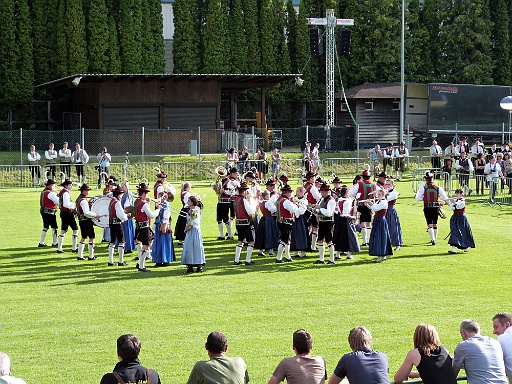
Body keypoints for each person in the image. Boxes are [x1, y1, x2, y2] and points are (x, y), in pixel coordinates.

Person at [453, 319, 507, 384]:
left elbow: (453, 374)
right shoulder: (495, 343)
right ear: (479, 331)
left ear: (463, 333)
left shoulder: (463, 346)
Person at [415, 172, 448, 245]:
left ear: (426, 180)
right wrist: (442, 203)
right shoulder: (438, 188)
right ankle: (435, 238)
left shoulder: (423, 188)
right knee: (435, 223)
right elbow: (445, 197)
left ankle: (433, 239)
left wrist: (423, 198)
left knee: (429, 223)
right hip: (436, 207)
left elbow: (418, 198)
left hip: (427, 207)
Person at [133, 183, 161, 272]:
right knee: (146, 245)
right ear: (144, 194)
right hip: (144, 227)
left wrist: (148, 203)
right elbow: (151, 215)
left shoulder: (136, 202)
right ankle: (141, 266)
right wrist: (158, 209)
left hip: (138, 226)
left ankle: (139, 262)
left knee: (147, 244)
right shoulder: (143, 204)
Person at [349, 170, 376, 247]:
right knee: (369, 223)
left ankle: (364, 241)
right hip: (370, 205)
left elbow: (351, 193)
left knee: (363, 222)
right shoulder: (373, 184)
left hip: (361, 204)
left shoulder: (359, 184)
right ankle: (369, 240)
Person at [333, 186, 360, 260]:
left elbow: (338, 210)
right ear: (346, 193)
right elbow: (346, 214)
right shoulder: (347, 201)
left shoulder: (339, 200)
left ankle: (338, 254)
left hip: (339, 220)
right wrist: (354, 217)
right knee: (350, 237)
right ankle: (349, 254)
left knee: (340, 237)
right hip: (346, 221)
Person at [233, 183, 257, 265]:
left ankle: (236, 260)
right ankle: (248, 260)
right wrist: (253, 204)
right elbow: (251, 212)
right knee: (251, 242)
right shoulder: (244, 200)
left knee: (240, 241)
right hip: (245, 224)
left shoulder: (236, 200)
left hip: (238, 223)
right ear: (244, 192)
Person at [181, 195, 206, 273]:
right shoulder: (192, 210)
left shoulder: (194, 210)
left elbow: (192, 223)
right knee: (191, 247)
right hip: (193, 231)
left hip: (193, 231)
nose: (187, 202)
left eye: (189, 201)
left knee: (194, 247)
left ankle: (198, 265)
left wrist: (186, 229)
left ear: (192, 202)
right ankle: (191, 266)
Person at [446, 189, 475, 254]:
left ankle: (465, 247)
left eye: (458, 193)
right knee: (454, 232)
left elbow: (457, 206)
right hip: (455, 217)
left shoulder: (462, 201)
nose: (456, 195)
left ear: (462, 194)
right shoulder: (457, 200)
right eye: (456, 193)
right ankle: (453, 249)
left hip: (461, 218)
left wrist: (452, 202)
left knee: (463, 233)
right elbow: (452, 208)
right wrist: (448, 202)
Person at [313, 183, 336, 264]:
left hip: (328, 222)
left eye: (323, 192)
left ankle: (332, 259)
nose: (321, 194)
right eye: (321, 192)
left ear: (328, 192)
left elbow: (329, 213)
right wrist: (315, 211)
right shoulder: (323, 200)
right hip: (322, 221)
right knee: (320, 240)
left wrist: (320, 208)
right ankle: (321, 259)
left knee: (329, 240)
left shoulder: (331, 201)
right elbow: (321, 211)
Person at [75, 183, 99, 261]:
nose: (88, 192)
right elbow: (86, 212)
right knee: (92, 238)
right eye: (87, 190)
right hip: (86, 221)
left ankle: (80, 255)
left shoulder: (78, 199)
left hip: (81, 220)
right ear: (84, 191)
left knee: (83, 237)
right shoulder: (83, 201)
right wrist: (95, 215)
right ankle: (91, 256)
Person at [275, 184, 298, 263]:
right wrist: (295, 204)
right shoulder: (286, 201)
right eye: (290, 192)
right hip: (286, 222)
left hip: (281, 221)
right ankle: (278, 257)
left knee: (287, 239)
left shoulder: (279, 199)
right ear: (287, 192)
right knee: (284, 240)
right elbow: (293, 210)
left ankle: (288, 256)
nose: (291, 194)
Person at [368, 189, 392, 263]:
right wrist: (367, 204)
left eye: (379, 194)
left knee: (380, 236)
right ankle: (382, 255)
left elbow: (375, 208)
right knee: (378, 236)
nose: (377, 196)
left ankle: (381, 254)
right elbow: (373, 210)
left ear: (382, 194)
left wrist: (370, 204)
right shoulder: (379, 201)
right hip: (377, 219)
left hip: (381, 220)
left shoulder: (384, 202)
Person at [254, 189, 280, 257]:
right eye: (268, 195)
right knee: (270, 234)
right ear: (265, 196)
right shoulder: (267, 203)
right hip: (268, 219)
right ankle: (270, 250)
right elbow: (273, 209)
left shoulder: (261, 202)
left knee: (263, 234)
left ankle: (261, 250)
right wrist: (276, 206)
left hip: (263, 219)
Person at [152, 191, 175, 267]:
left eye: (159, 197)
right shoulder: (159, 205)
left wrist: (164, 225)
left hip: (163, 225)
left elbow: (166, 216)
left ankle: (166, 260)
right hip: (158, 224)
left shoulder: (166, 205)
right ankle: (158, 260)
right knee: (158, 242)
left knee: (164, 242)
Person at [108, 186, 129, 266]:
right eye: (121, 194)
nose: (121, 195)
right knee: (121, 241)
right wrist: (127, 216)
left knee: (112, 241)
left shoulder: (111, 201)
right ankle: (121, 261)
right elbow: (120, 215)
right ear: (118, 194)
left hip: (111, 223)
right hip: (117, 223)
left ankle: (110, 261)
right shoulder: (117, 202)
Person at [57, 179, 79, 254]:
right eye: (70, 185)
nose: (71, 186)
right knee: (75, 229)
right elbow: (66, 204)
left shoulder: (62, 192)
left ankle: (59, 248)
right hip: (67, 212)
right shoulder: (65, 193)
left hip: (63, 212)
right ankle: (74, 247)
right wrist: (74, 205)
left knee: (64, 230)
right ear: (66, 186)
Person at [38, 179, 59, 247]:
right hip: (50, 212)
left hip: (43, 211)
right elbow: (57, 201)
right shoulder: (50, 193)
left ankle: (41, 242)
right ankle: (55, 242)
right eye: (53, 185)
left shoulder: (44, 192)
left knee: (46, 227)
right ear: (50, 185)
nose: (54, 186)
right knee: (54, 227)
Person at [290, 186, 309, 259]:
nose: (296, 193)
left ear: (302, 192)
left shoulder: (304, 200)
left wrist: (295, 208)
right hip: (296, 218)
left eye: (298, 191)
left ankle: (303, 251)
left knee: (302, 234)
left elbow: (301, 211)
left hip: (301, 219)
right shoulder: (296, 200)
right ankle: (296, 250)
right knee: (295, 233)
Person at [492, 312, 512, 382]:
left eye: (496, 327)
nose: (494, 332)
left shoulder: (502, 338)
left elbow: (492, 362)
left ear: (507, 325)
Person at [304, 171, 321, 251]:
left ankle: (306, 244)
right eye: (314, 177)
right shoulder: (312, 188)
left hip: (305, 208)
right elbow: (319, 198)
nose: (314, 179)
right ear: (311, 179)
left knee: (307, 227)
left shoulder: (305, 186)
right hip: (312, 209)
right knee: (315, 227)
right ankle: (313, 246)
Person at [385, 179, 403, 251]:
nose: (387, 186)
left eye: (389, 184)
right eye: (386, 184)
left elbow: (387, 199)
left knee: (393, 227)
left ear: (392, 185)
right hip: (384, 210)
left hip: (390, 210)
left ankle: (397, 243)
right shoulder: (386, 191)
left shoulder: (394, 193)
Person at [119, 181, 136, 254]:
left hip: (127, 215)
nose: (122, 189)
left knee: (127, 231)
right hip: (124, 214)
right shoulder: (124, 195)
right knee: (124, 231)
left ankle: (128, 247)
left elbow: (128, 206)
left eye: (123, 187)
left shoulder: (128, 195)